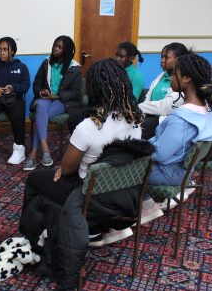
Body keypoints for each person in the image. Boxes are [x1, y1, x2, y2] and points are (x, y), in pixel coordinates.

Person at [21, 58, 146, 246]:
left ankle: (29, 235)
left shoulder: (88, 127)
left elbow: (67, 168)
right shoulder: (135, 121)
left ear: (94, 89)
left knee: (34, 180)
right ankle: (94, 229)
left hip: (87, 193)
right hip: (120, 192)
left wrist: (64, 168)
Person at [144, 53, 212, 210]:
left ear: (186, 78)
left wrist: (136, 149)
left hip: (168, 172)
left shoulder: (182, 119)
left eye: (173, 74)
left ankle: (136, 210)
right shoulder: (206, 111)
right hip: (183, 169)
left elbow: (160, 154)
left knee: (117, 167)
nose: (170, 78)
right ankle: (144, 203)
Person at [24, 35, 83, 170]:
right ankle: (45, 150)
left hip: (62, 101)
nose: (56, 49)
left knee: (41, 113)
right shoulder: (46, 63)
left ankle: (33, 154)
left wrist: (57, 96)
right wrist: (41, 92)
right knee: (40, 105)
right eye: (55, 45)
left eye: (60, 47)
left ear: (67, 50)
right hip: (45, 99)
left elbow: (77, 92)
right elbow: (37, 83)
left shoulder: (75, 68)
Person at [139, 43, 191, 139]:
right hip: (149, 117)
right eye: (162, 57)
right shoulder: (161, 76)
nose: (162, 61)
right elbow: (148, 99)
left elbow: (165, 107)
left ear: (178, 60)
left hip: (164, 122)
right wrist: (140, 115)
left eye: (166, 58)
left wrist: (139, 107)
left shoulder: (182, 81)